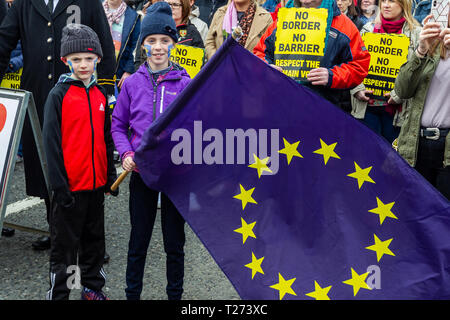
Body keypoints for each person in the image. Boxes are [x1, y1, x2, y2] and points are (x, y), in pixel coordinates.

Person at [0, 0, 116, 251]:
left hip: (81, 96)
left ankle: (90, 242)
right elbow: (4, 40)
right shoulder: (24, 3)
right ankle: (57, 229)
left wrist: (105, 88)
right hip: (39, 94)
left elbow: (105, 42)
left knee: (84, 162)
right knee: (46, 162)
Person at [111, 1, 191, 300]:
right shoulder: (132, 84)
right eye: (152, 41)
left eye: (165, 41)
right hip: (142, 174)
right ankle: (133, 294)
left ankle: (175, 296)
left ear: (174, 43)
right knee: (138, 241)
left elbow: (195, 128)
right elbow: (118, 125)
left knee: (174, 243)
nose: (158, 47)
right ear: (143, 44)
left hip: (174, 176)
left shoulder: (186, 84)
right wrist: (127, 154)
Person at [43, 24, 117, 300]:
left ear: (97, 58)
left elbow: (106, 140)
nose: (83, 65)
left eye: (88, 58)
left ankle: (92, 289)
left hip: (95, 188)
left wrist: (109, 176)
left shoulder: (99, 95)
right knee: (64, 249)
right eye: (76, 60)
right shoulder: (58, 95)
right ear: (65, 61)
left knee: (94, 244)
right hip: (69, 190)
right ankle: (60, 294)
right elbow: (50, 144)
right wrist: (59, 187)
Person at [258, 0, 371, 110]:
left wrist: (332, 76)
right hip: (282, 106)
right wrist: (267, 68)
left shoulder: (343, 25)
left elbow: (359, 65)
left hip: (324, 110)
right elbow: (259, 53)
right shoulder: (281, 21)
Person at [394, 12, 450, 200]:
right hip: (417, 141)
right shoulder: (430, 45)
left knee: (444, 215)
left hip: (447, 147)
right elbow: (402, 91)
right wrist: (421, 51)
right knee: (416, 209)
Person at [351, 0, 421, 144]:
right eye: (383, 1)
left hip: (398, 114)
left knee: (391, 162)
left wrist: (400, 94)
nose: (386, 5)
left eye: (392, 1)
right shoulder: (367, 29)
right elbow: (352, 62)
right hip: (366, 108)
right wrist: (357, 89)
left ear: (404, 5)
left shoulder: (417, 34)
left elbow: (420, 74)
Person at [205, 0, 272, 59]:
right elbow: (209, 42)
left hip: (249, 71)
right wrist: (217, 61)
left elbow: (268, 50)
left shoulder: (265, 18)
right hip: (220, 70)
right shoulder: (220, 13)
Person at [103, 0, 141, 89]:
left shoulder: (133, 17)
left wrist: (129, 70)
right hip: (97, 69)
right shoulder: (97, 10)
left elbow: (135, 46)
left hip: (119, 74)